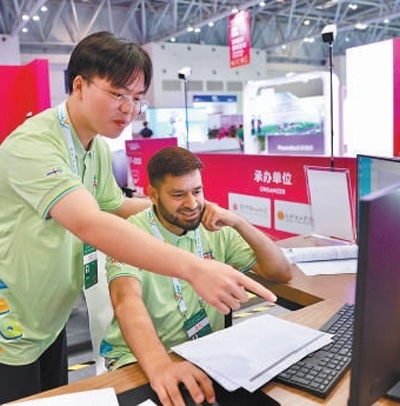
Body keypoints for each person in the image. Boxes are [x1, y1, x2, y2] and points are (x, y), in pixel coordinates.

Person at [0, 32, 279, 404]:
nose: (129, 109)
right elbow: (90, 222)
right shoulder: (33, 145)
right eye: (118, 94)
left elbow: (114, 205)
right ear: (79, 85)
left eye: (136, 98)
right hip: (12, 320)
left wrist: (185, 207)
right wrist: (194, 268)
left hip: (51, 316)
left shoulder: (95, 146)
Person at [100, 146, 293, 406]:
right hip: (144, 358)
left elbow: (280, 271)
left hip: (206, 353)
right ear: (153, 195)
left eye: (197, 191)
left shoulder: (214, 227)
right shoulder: (129, 234)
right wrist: (161, 365)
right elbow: (126, 301)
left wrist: (238, 222)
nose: (191, 204)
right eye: (178, 195)